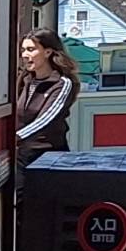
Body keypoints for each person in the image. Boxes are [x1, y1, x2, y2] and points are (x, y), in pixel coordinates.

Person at [16, 30, 79, 165]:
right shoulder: (24, 79)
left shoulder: (62, 84)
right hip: (21, 154)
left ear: (47, 52)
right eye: (23, 50)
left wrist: (16, 137)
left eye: (31, 49)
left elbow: (46, 119)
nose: (24, 55)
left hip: (47, 157)